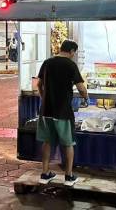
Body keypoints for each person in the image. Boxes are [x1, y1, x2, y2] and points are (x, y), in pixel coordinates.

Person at [36, 39, 88, 186]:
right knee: (68, 143)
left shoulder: (47, 62)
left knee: (47, 142)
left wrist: (44, 98)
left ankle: (45, 173)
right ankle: (69, 176)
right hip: (63, 111)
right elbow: (81, 88)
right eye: (74, 53)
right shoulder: (71, 65)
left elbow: (39, 84)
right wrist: (86, 97)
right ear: (71, 51)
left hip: (46, 110)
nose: (74, 55)